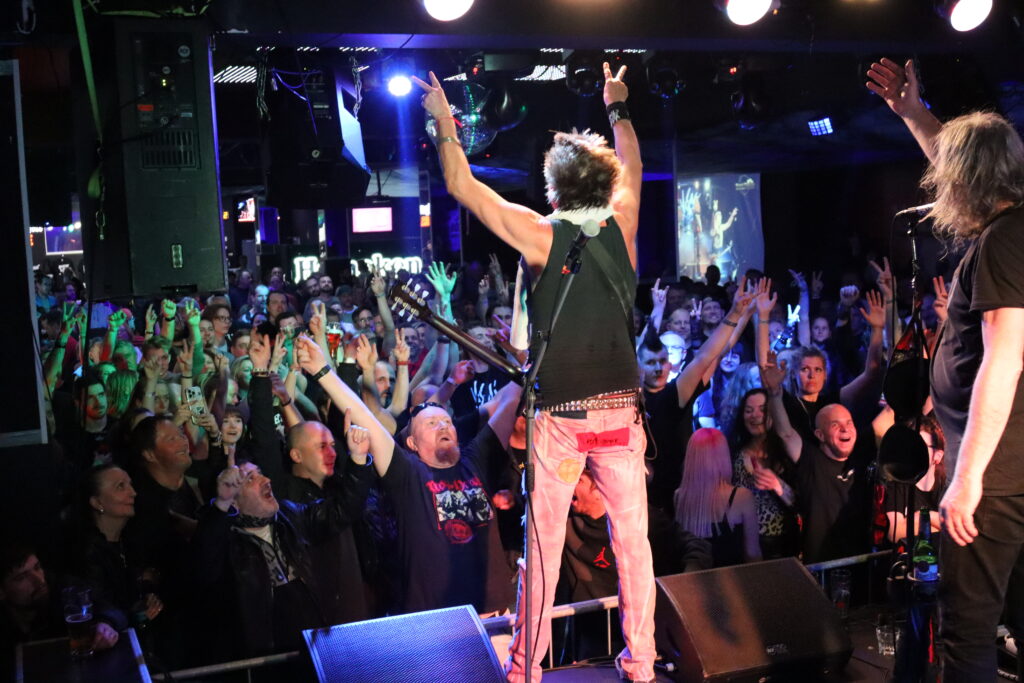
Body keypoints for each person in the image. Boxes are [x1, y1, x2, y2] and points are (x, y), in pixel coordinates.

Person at [416, 61, 653, 683]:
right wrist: (617, 104)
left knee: (543, 548)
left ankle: (525, 669)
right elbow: (632, 159)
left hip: (563, 418)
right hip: (621, 416)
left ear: (553, 191)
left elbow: (463, 185)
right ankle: (643, 665)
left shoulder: (541, 234)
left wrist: (444, 122)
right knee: (634, 545)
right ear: (605, 185)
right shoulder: (625, 220)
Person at [867, 56, 1024, 681]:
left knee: (968, 634)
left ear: (965, 183)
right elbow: (967, 164)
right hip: (1009, 469)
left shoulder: (1005, 240)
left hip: (997, 476)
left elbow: (1003, 358)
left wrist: (966, 477)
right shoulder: (1014, 226)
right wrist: (913, 114)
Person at [674, 428, 761, 567]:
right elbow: (752, 554)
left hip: (692, 578)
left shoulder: (679, 496)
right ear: (724, 456)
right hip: (732, 578)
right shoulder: (742, 497)